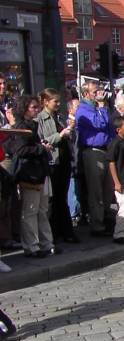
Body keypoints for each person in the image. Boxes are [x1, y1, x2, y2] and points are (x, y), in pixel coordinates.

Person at [9, 96, 57, 257]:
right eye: (33, 107)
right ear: (24, 109)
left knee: (42, 209)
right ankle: (31, 246)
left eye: (37, 107)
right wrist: (41, 148)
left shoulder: (33, 125)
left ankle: (47, 243)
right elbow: (20, 150)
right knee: (30, 210)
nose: (37, 110)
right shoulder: (21, 127)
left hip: (40, 171)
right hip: (29, 173)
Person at [36, 88, 78, 244]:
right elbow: (43, 140)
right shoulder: (40, 119)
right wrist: (60, 135)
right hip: (52, 161)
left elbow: (69, 138)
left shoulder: (59, 117)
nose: (58, 104)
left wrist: (70, 129)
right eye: (55, 101)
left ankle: (64, 230)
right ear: (46, 102)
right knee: (54, 199)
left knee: (62, 196)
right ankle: (58, 231)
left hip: (64, 159)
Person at [75, 81, 112, 235]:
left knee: (107, 190)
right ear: (86, 94)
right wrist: (102, 106)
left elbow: (109, 126)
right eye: (95, 91)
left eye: (99, 90)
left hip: (105, 150)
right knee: (96, 191)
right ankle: (97, 224)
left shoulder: (98, 107)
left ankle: (106, 218)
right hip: (93, 151)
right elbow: (99, 124)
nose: (99, 93)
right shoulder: (83, 110)